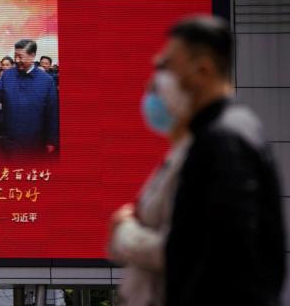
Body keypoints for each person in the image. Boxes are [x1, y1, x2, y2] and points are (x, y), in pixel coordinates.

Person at [118, 16, 286, 306]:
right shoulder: (219, 133)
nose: (159, 79)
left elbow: (220, 257)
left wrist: (128, 238)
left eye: (167, 66)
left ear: (203, 70)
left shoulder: (224, 140)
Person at [108, 71, 193, 306]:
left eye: (154, 92)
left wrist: (125, 232)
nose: (147, 101)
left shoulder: (200, 159)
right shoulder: (173, 156)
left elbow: (184, 249)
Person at [0, 39, 59, 155]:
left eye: (20, 57)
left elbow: (52, 113)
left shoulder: (46, 81)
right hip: (10, 139)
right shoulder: (8, 75)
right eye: (15, 56)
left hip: (35, 141)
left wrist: (52, 140)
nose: (16, 60)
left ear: (32, 56)